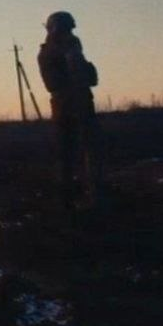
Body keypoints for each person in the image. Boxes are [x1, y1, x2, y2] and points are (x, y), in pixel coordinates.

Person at [37, 11, 103, 209]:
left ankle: (90, 195)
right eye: (66, 30)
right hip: (66, 106)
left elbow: (90, 77)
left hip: (80, 103)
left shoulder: (71, 47)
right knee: (68, 153)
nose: (70, 34)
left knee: (88, 151)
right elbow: (54, 83)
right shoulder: (50, 52)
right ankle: (68, 199)